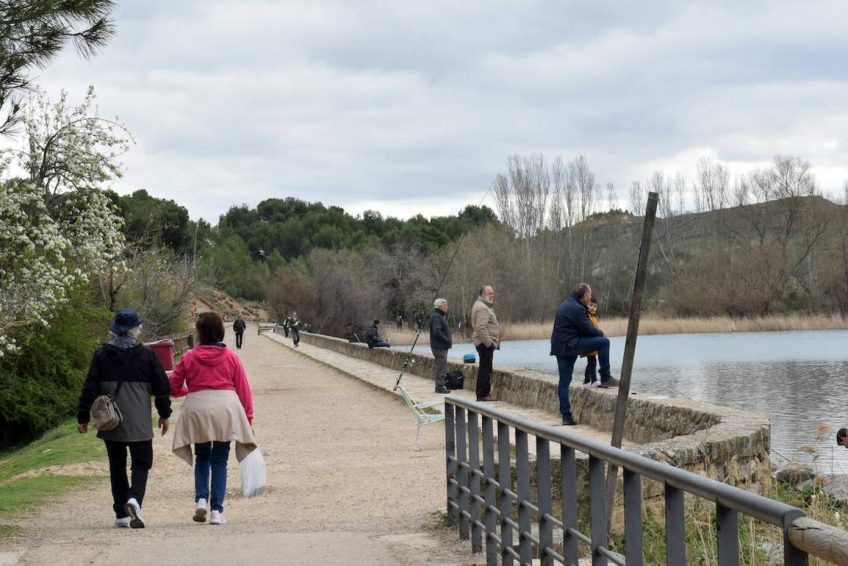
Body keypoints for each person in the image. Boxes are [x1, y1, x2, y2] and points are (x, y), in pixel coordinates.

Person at [76, 308, 172, 529]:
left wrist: (82, 417)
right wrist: (164, 414)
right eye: (138, 326)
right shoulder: (147, 355)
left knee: (116, 465)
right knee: (141, 462)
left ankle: (121, 513)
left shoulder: (101, 354)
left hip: (112, 420)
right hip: (139, 420)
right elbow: (161, 386)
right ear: (134, 330)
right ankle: (134, 499)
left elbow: (89, 387)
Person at [169, 312, 256, 526]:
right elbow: (243, 390)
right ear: (219, 332)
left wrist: (189, 390)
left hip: (197, 408)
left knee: (202, 456)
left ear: (199, 333)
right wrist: (248, 419)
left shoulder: (189, 356)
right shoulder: (231, 357)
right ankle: (217, 511)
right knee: (220, 459)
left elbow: (172, 386)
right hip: (225, 409)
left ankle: (200, 499)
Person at [551, 283, 619, 426]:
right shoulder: (577, 308)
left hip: (559, 347)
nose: (590, 299)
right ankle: (605, 376)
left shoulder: (565, 304)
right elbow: (587, 329)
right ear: (586, 295)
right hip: (571, 345)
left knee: (564, 381)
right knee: (604, 342)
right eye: (589, 295)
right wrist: (601, 333)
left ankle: (566, 416)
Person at [471, 286, 499, 402]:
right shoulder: (482, 308)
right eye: (490, 293)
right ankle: (483, 394)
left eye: (493, 293)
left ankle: (482, 394)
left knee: (484, 368)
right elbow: (481, 328)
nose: (492, 295)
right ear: (483, 294)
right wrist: (489, 344)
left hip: (482, 342)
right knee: (485, 369)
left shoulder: (480, 305)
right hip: (484, 343)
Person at [430, 299, 452, 394]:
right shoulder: (437, 317)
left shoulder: (438, 316)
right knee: (441, 366)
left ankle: (440, 385)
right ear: (440, 306)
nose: (447, 307)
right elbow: (436, 331)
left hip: (440, 346)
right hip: (439, 347)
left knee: (441, 366)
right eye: (445, 305)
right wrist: (446, 340)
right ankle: (439, 386)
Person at [582, 297, 600, 387]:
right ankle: (594, 380)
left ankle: (586, 380)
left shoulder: (594, 317)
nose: (593, 308)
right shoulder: (587, 317)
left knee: (590, 361)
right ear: (586, 306)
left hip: (594, 342)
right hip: (589, 342)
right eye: (590, 305)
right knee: (592, 361)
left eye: (595, 306)